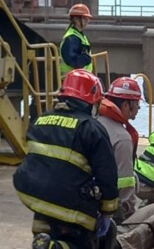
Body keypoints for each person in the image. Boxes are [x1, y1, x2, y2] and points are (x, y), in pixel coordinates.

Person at [13, 69, 119, 249]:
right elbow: (107, 176)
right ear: (90, 98)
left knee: (46, 227)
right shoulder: (92, 129)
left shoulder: (41, 120)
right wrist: (108, 212)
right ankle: (56, 247)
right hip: (68, 205)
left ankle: (44, 241)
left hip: (33, 196)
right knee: (84, 242)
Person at [97, 76, 141, 225]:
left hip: (88, 200)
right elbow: (125, 188)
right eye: (136, 104)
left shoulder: (93, 124)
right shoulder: (122, 138)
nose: (139, 108)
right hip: (112, 212)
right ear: (125, 105)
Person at [60, 3, 93, 77]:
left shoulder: (79, 35)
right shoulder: (71, 38)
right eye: (85, 18)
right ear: (76, 19)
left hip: (79, 78)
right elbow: (72, 60)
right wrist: (86, 59)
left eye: (87, 19)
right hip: (72, 80)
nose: (87, 21)